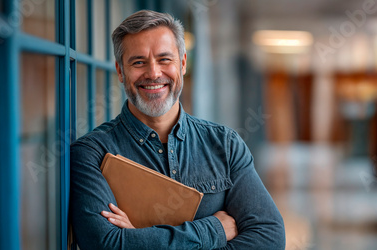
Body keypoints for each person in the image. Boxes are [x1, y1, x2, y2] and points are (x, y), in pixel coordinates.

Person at [69, 9, 285, 249]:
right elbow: (105, 244)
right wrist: (213, 230)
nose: (153, 73)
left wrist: (138, 238)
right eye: (138, 62)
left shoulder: (225, 144)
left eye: (164, 59)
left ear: (182, 64)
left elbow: (269, 238)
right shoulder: (91, 154)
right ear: (121, 71)